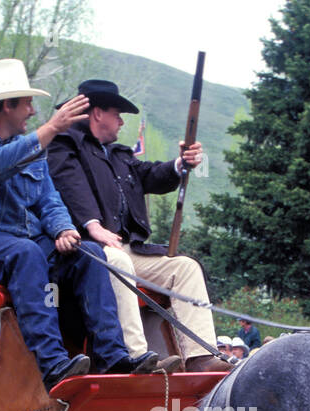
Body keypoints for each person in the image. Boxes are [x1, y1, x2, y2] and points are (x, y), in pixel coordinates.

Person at [0, 59, 161, 388]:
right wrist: (52, 129)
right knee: (26, 252)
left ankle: (112, 356)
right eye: (27, 103)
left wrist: (63, 228)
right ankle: (53, 364)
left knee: (90, 253)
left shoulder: (33, 144)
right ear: (7, 105)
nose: (32, 111)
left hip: (26, 242)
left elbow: (48, 197)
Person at [47, 79, 227, 373]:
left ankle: (201, 357)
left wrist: (181, 164)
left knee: (184, 267)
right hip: (85, 251)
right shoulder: (63, 144)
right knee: (118, 260)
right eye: (117, 114)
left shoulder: (119, 156)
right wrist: (92, 225)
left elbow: (151, 175)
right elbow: (70, 185)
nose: (121, 122)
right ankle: (137, 356)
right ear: (97, 113)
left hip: (127, 250)